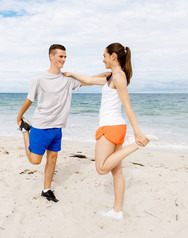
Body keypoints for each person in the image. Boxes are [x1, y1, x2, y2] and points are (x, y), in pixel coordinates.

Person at [63, 42, 150, 219]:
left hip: (110, 127)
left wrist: (138, 132)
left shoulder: (118, 77)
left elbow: (127, 105)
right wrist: (70, 74)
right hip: (115, 125)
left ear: (113, 56)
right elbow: (88, 80)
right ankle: (117, 211)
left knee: (101, 168)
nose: (102, 59)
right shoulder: (113, 76)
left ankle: (134, 145)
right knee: (116, 171)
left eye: (104, 55)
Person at [17, 44, 81, 203]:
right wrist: (19, 116)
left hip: (57, 127)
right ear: (51, 56)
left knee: (52, 159)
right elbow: (30, 99)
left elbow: (89, 81)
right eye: (61, 56)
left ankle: (46, 189)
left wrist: (110, 74)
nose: (64, 60)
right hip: (41, 126)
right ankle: (25, 131)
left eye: (65, 57)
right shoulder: (39, 78)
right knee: (35, 161)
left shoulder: (67, 79)